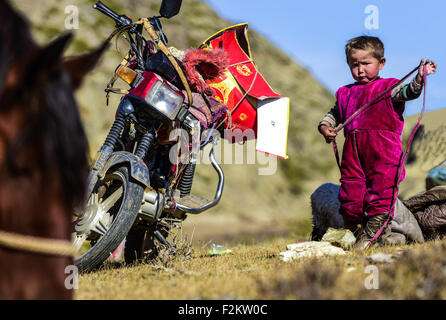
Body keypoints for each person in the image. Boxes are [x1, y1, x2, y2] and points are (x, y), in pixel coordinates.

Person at [318, 35, 437, 249]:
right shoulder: (345, 93)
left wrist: (419, 78)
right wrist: (326, 127)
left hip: (384, 153)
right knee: (350, 194)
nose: (360, 69)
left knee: (381, 192)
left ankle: (371, 236)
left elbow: (409, 92)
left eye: (366, 63)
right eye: (354, 64)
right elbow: (333, 114)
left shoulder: (389, 88)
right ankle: (356, 231)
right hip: (353, 154)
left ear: (381, 63)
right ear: (348, 64)